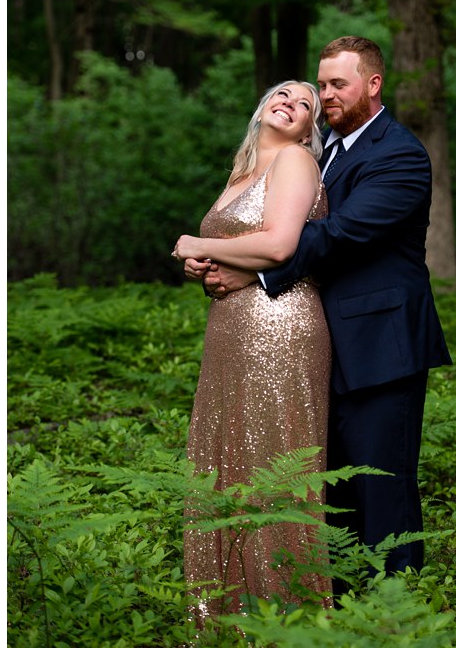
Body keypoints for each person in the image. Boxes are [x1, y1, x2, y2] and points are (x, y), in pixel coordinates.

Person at [187, 36, 452, 582]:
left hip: (381, 344)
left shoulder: (399, 154)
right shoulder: (317, 152)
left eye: (338, 84)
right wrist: (228, 267)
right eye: (322, 83)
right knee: (328, 483)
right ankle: (335, 599)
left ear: (373, 85)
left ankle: (392, 607)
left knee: (380, 482)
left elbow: (341, 232)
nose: (327, 94)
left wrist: (252, 268)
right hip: (314, 338)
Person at [172, 80, 332, 623]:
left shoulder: (295, 161)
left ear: (311, 129)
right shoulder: (239, 175)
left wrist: (196, 246)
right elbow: (235, 256)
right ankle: (226, 614)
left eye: (305, 103)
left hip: (280, 326)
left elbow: (280, 245)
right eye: (282, 93)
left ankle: (285, 615)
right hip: (229, 327)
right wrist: (204, 271)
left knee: (272, 463)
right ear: (262, 105)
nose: (290, 101)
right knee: (230, 459)